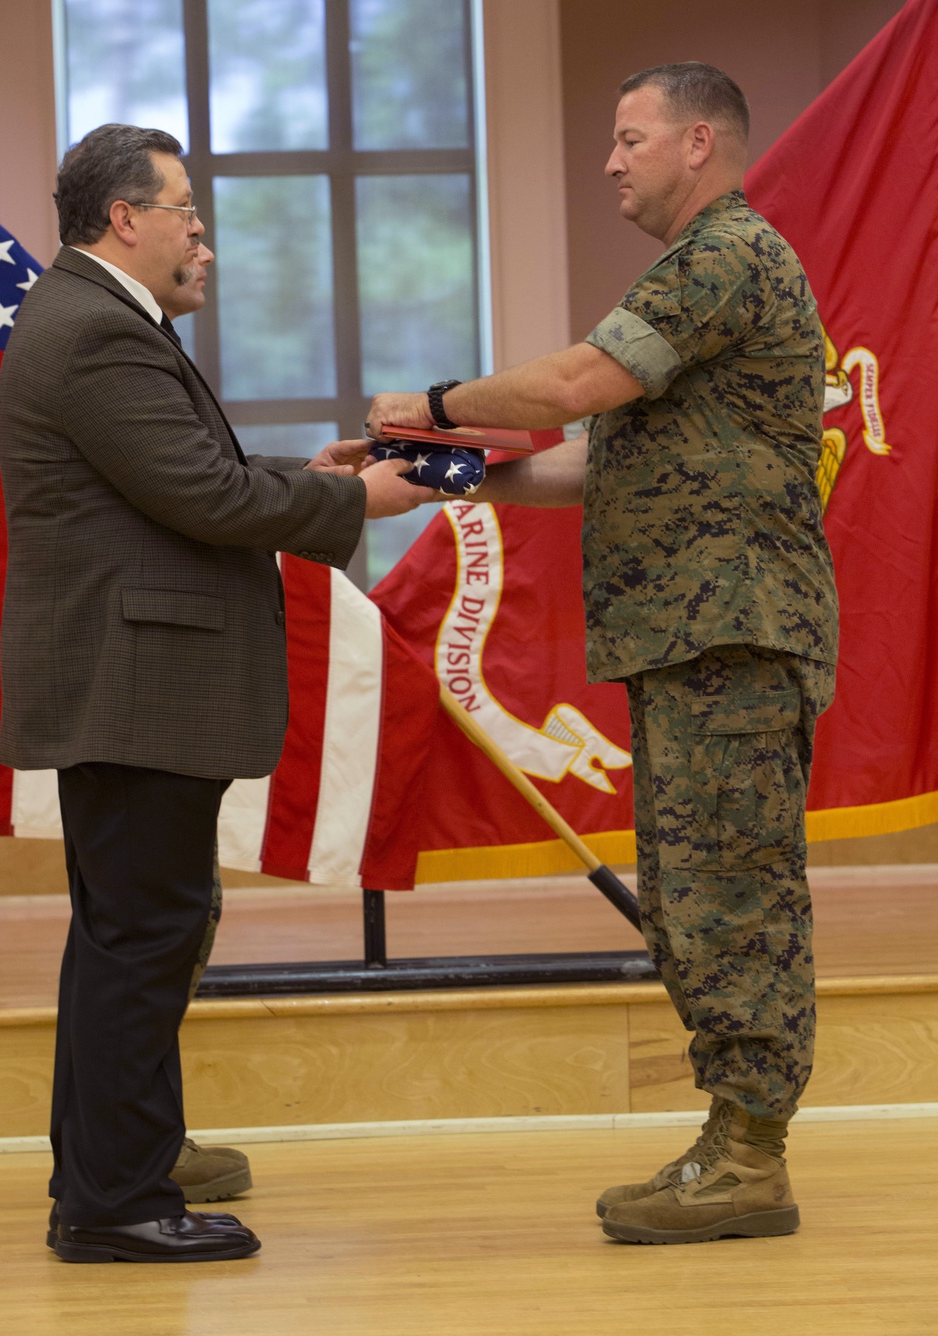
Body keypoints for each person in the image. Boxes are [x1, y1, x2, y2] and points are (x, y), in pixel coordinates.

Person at [366, 63, 838, 1246]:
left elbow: (577, 382)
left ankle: (748, 1157)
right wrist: (439, 471)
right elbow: (595, 458)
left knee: (732, 896)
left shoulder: (727, 255)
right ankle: (732, 1145)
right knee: (687, 896)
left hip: (731, 633)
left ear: (697, 142)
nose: (612, 162)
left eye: (629, 140)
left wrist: (427, 403)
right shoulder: (693, 275)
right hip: (692, 641)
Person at [0, 122, 430, 1264]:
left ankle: (102, 1179)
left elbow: (188, 486)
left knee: (124, 937)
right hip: (135, 687)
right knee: (145, 938)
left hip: (128, 686)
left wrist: (308, 478)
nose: (204, 234)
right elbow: (204, 498)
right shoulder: (95, 330)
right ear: (123, 219)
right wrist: (361, 504)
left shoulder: (94, 320)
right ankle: (117, 1203)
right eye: (184, 209)